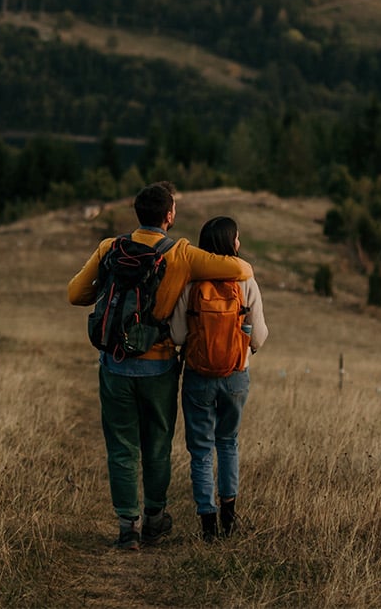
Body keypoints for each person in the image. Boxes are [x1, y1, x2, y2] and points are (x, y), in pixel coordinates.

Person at [68, 182, 253, 551]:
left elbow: (76, 293)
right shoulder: (181, 254)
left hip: (114, 365)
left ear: (138, 213)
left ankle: (127, 527)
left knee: (121, 447)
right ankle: (154, 520)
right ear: (169, 216)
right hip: (159, 367)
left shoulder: (110, 247)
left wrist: (107, 288)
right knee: (156, 444)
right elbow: (241, 269)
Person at [171, 216, 267, 542]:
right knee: (228, 443)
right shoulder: (245, 281)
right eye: (237, 238)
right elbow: (260, 335)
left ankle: (207, 524)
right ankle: (229, 516)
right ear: (231, 243)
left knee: (200, 451)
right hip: (235, 375)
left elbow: (177, 334)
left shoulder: (192, 281)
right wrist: (245, 347)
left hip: (198, 375)